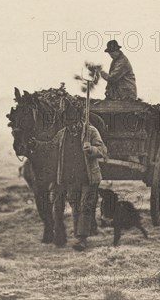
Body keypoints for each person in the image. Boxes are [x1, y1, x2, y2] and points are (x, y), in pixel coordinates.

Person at [51, 102, 107, 251]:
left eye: (74, 123)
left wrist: (92, 149)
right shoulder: (62, 134)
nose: (71, 127)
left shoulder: (91, 131)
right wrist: (36, 145)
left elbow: (103, 150)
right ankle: (79, 235)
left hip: (88, 177)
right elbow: (51, 146)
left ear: (80, 120)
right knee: (75, 206)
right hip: (71, 178)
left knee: (85, 206)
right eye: (68, 124)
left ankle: (82, 239)